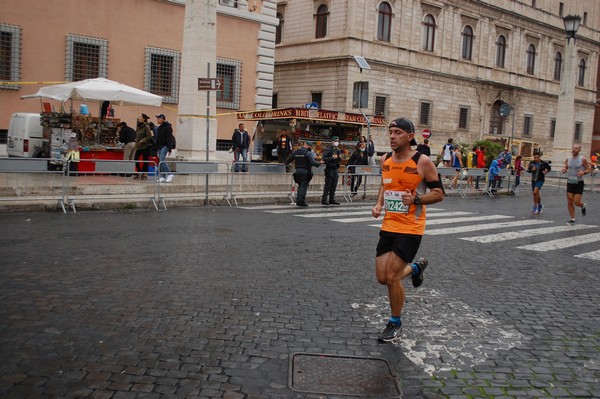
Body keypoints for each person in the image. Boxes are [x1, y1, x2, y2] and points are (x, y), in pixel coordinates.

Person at [371, 117, 444, 342]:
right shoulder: (385, 159)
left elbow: (439, 193)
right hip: (389, 225)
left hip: (411, 227)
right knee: (382, 277)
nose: (392, 136)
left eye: (398, 132)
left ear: (410, 137)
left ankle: (395, 323)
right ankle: (414, 269)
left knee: (392, 277)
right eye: (390, 132)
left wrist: (417, 199)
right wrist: (379, 203)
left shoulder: (422, 162)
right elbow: (386, 182)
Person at [561, 144, 592, 225]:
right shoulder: (568, 159)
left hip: (579, 183)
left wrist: (583, 172)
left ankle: (583, 205)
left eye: (576, 148)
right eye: (573, 148)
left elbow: (589, 169)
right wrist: (564, 169)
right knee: (569, 201)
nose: (574, 149)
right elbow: (565, 167)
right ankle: (572, 219)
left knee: (576, 202)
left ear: (579, 150)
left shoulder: (583, 159)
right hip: (570, 182)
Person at [285, 141, 322, 207]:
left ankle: (299, 201)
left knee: (300, 186)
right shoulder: (308, 153)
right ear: (307, 146)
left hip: (297, 172)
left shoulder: (296, 152)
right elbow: (312, 162)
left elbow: (288, 160)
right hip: (305, 172)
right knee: (303, 187)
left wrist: (287, 165)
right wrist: (319, 163)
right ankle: (301, 202)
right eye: (310, 146)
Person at [321, 135, 342, 205]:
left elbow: (339, 159)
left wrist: (338, 160)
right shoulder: (328, 149)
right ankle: (324, 199)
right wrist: (332, 158)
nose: (337, 142)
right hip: (329, 169)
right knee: (328, 185)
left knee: (334, 185)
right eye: (335, 141)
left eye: (337, 141)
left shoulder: (337, 150)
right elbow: (324, 158)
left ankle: (331, 199)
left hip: (335, 168)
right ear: (332, 141)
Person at [155, 114, 175, 183]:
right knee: (160, 161)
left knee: (162, 160)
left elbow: (169, 138)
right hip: (160, 146)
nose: (157, 120)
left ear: (163, 119)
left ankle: (170, 174)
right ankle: (163, 176)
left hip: (165, 146)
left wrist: (170, 149)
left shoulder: (168, 127)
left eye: (158, 118)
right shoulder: (160, 127)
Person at [133, 114, 154, 180]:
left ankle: (144, 174)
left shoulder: (146, 126)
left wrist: (143, 140)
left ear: (144, 119)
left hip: (145, 146)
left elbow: (149, 136)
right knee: (135, 158)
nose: (139, 118)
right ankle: (139, 172)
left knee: (145, 160)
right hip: (139, 146)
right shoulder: (138, 127)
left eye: (140, 117)